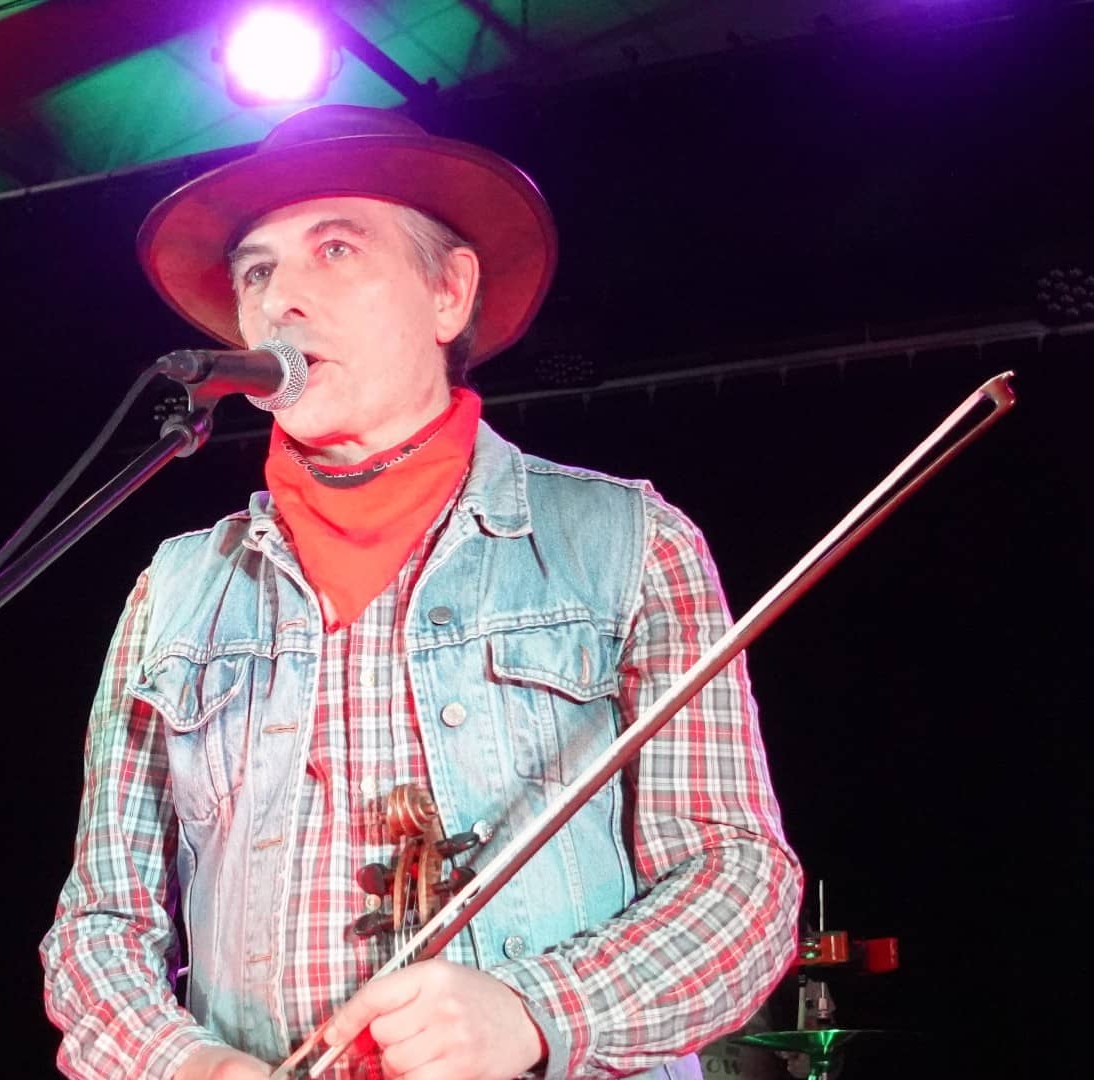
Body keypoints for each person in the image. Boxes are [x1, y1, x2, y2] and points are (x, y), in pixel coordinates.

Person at [41, 105, 801, 1080]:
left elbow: (738, 882)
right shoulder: (176, 589)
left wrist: (537, 1012)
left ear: (448, 293)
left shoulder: (629, 543)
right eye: (258, 270)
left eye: (337, 248)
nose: (283, 301)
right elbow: (101, 922)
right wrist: (189, 1068)